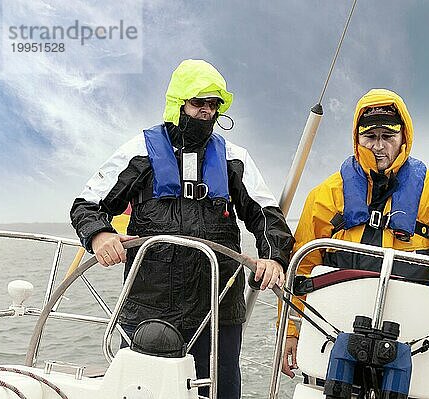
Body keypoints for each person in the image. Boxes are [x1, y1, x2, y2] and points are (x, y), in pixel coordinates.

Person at [71, 59, 294, 399]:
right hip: (148, 304)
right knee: (140, 390)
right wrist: (100, 235)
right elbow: (86, 205)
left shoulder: (235, 158)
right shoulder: (139, 151)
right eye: (198, 103)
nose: (206, 112)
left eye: (213, 105)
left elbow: (266, 215)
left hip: (217, 307)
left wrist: (275, 258)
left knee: (219, 392)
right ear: (179, 104)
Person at [281, 89, 429, 398]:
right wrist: (290, 333)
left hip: (415, 342)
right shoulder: (325, 195)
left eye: (388, 135)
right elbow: (300, 269)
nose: (380, 145)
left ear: (404, 136)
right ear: (357, 139)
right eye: (370, 136)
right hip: (334, 335)